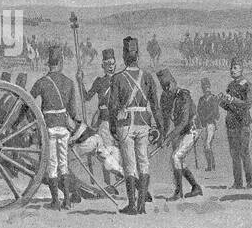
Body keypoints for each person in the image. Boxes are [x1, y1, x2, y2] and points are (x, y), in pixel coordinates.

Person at [107, 36, 163, 214]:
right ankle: (142, 206)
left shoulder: (118, 78)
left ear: (124, 55)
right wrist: (160, 127)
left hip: (125, 125)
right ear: (137, 55)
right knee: (144, 163)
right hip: (144, 123)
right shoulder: (147, 76)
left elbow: (113, 106)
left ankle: (132, 205)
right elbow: (155, 105)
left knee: (130, 166)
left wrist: (113, 128)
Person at [29, 46, 82, 210]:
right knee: (64, 165)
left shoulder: (42, 82)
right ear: (61, 62)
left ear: (49, 63)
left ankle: (55, 201)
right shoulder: (69, 82)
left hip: (49, 128)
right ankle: (67, 200)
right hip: (64, 129)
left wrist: (34, 122)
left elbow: (28, 102)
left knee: (52, 166)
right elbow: (72, 112)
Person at [74, 49, 125, 183]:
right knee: (106, 153)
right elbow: (86, 97)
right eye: (107, 63)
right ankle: (109, 184)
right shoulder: (99, 81)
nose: (110, 66)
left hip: (120, 121)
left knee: (119, 153)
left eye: (112, 63)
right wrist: (80, 81)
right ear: (103, 65)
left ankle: (120, 180)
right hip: (105, 122)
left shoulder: (121, 80)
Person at [158, 69, 203, 200]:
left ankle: (178, 192)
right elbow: (166, 121)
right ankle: (195, 187)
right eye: (164, 86)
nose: (167, 88)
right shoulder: (164, 97)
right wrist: (162, 136)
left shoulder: (184, 96)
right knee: (177, 159)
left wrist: (169, 137)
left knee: (176, 157)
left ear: (174, 82)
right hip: (181, 131)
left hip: (192, 129)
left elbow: (183, 122)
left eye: (169, 84)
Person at [220, 59, 252, 189]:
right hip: (231, 122)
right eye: (231, 68)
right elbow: (228, 106)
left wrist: (232, 99)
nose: (232, 70)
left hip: (243, 122)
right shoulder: (230, 85)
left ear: (241, 69)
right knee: (234, 154)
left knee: (244, 152)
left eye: (235, 67)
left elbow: (248, 104)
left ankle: (250, 182)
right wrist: (222, 102)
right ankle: (238, 183)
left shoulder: (247, 85)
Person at [196, 78, 220, 171]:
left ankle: (211, 165)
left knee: (207, 144)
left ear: (209, 87)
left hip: (210, 124)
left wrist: (205, 118)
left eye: (207, 87)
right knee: (205, 145)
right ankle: (210, 165)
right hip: (203, 125)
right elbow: (198, 110)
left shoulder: (214, 98)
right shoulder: (201, 99)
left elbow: (215, 113)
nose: (206, 89)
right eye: (204, 87)